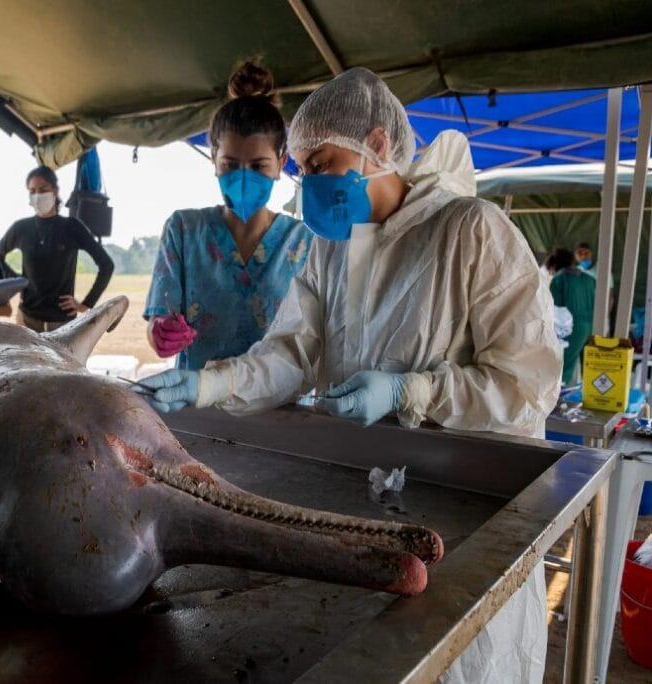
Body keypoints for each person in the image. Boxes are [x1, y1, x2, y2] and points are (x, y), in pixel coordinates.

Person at [139, 68, 560, 683]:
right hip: (365, 496)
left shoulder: (471, 230)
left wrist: (413, 391)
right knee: (367, 653)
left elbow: (525, 386)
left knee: (456, 651)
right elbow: (292, 351)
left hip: (465, 500)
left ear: (377, 145)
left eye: (321, 164)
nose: (309, 182)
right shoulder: (332, 248)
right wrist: (214, 383)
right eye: (303, 170)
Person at [143, 61, 312, 369]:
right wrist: (160, 332)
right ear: (214, 159)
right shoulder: (183, 230)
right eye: (230, 165)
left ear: (281, 163)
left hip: (279, 398)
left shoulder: (303, 242)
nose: (243, 176)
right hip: (198, 394)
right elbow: (160, 317)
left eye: (258, 166)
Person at [0, 166, 114, 332]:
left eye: (43, 190)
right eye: (32, 191)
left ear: (55, 191)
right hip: (27, 320)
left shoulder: (71, 227)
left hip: (62, 324)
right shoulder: (21, 228)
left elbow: (107, 265)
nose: (38, 195)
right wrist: (19, 282)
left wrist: (86, 304)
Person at [546, 248, 595, 383]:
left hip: (571, 329)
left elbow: (556, 312)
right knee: (589, 370)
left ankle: (560, 394)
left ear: (554, 265)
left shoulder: (559, 279)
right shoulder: (590, 279)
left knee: (562, 369)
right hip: (591, 327)